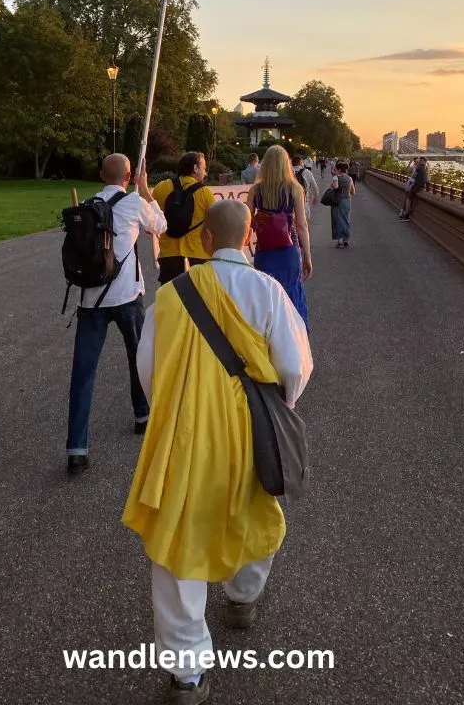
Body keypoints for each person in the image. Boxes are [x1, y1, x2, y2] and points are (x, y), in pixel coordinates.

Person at [122, 200, 313, 703]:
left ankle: (187, 674)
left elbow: (150, 370)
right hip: (248, 428)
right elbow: (295, 367)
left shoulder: (170, 296)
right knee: (254, 508)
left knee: (178, 540)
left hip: (183, 431)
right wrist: (280, 406)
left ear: (205, 242)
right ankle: (243, 597)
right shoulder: (269, 292)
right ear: (249, 239)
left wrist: (179, 400)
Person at [66, 154, 167, 475]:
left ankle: (77, 448)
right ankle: (141, 414)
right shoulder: (134, 202)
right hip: (126, 296)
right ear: (128, 176)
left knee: (83, 373)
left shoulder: (86, 204)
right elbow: (161, 226)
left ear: (100, 175)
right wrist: (146, 188)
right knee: (137, 358)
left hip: (90, 299)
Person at [246, 145, 312, 329]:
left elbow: (247, 221)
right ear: (286, 164)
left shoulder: (255, 190)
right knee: (291, 293)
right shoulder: (295, 189)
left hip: (264, 250)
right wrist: (307, 256)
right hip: (289, 250)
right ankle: (293, 337)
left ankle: (268, 336)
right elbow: (302, 225)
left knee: (267, 294)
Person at [152, 152, 215, 285]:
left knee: (171, 296)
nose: (205, 173)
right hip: (199, 253)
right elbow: (214, 223)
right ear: (195, 168)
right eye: (204, 168)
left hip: (169, 253)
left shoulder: (161, 187)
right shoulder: (205, 193)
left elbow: (152, 217)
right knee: (200, 296)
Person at [330, 161, 356, 248]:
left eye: (336, 169)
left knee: (338, 219)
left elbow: (335, 187)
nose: (335, 171)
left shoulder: (336, 177)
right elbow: (353, 191)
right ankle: (346, 239)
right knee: (346, 218)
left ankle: (340, 240)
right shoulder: (350, 178)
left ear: (339, 170)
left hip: (338, 200)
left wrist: (333, 184)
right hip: (347, 200)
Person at [291, 154, 319, 220]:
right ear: (301, 162)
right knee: (304, 225)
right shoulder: (307, 172)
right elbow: (314, 187)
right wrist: (315, 196)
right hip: (304, 202)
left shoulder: (287, 172)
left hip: (290, 205)